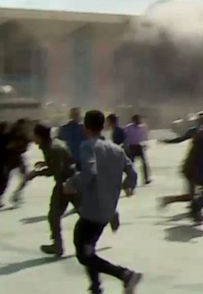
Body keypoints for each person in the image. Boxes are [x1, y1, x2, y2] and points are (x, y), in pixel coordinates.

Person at [65, 110, 142, 294]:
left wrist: (71, 184)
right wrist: (127, 185)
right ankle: (95, 287)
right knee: (88, 249)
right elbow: (132, 172)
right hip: (107, 210)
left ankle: (124, 274)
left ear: (86, 126)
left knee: (83, 254)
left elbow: (90, 172)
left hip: (92, 210)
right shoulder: (116, 149)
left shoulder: (88, 146)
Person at [26, 123, 77, 256]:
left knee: (54, 215)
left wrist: (36, 173)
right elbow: (58, 163)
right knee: (86, 211)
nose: (33, 138)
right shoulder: (51, 145)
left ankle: (58, 246)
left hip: (67, 183)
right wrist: (44, 164)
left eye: (34, 135)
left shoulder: (53, 148)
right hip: (69, 182)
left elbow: (57, 169)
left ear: (40, 136)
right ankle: (57, 245)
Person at [158, 111, 203, 210]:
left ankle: (195, 208)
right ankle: (171, 200)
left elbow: (180, 139)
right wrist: (167, 141)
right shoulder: (199, 131)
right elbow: (180, 139)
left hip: (198, 166)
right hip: (193, 167)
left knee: (200, 192)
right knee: (196, 194)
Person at [1, 119, 31, 205]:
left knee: (24, 177)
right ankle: (16, 195)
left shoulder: (21, 135)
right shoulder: (11, 135)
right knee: (5, 180)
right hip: (10, 160)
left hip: (15, 159)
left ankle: (16, 195)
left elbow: (24, 148)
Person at [124, 115, 151, 185]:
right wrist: (126, 146)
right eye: (136, 120)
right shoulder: (128, 127)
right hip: (131, 147)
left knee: (144, 163)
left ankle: (146, 178)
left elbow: (145, 136)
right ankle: (131, 179)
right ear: (133, 120)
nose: (138, 121)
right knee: (131, 164)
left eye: (138, 119)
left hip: (139, 146)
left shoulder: (142, 127)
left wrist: (145, 144)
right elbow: (125, 136)